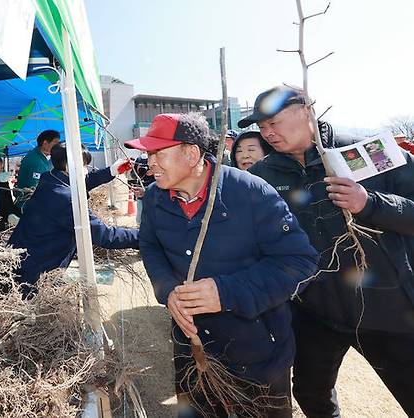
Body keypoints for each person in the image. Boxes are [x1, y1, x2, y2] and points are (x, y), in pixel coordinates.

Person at [124, 112, 318, 418]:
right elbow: (150, 246)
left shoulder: (252, 192)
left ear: (191, 154)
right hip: (192, 349)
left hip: (257, 351)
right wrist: (168, 290)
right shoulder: (155, 199)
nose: (150, 164)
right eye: (149, 155)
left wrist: (226, 292)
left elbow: (300, 262)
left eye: (158, 153)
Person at [243, 86, 414, 417]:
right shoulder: (263, 176)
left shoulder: (369, 151)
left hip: (387, 308)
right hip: (315, 310)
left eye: (274, 122)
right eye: (262, 128)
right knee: (311, 393)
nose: (268, 133)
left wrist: (370, 203)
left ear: (306, 109)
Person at [8, 144, 139, 293]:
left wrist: (111, 171)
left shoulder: (50, 179)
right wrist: (142, 236)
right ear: (68, 166)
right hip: (37, 267)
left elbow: (82, 183)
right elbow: (104, 235)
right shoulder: (66, 199)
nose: (86, 170)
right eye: (83, 165)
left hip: (26, 255)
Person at [14, 129, 61, 210]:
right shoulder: (36, 161)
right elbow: (34, 188)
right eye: (55, 143)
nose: (58, 146)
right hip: (28, 207)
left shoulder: (40, 157)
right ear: (45, 143)